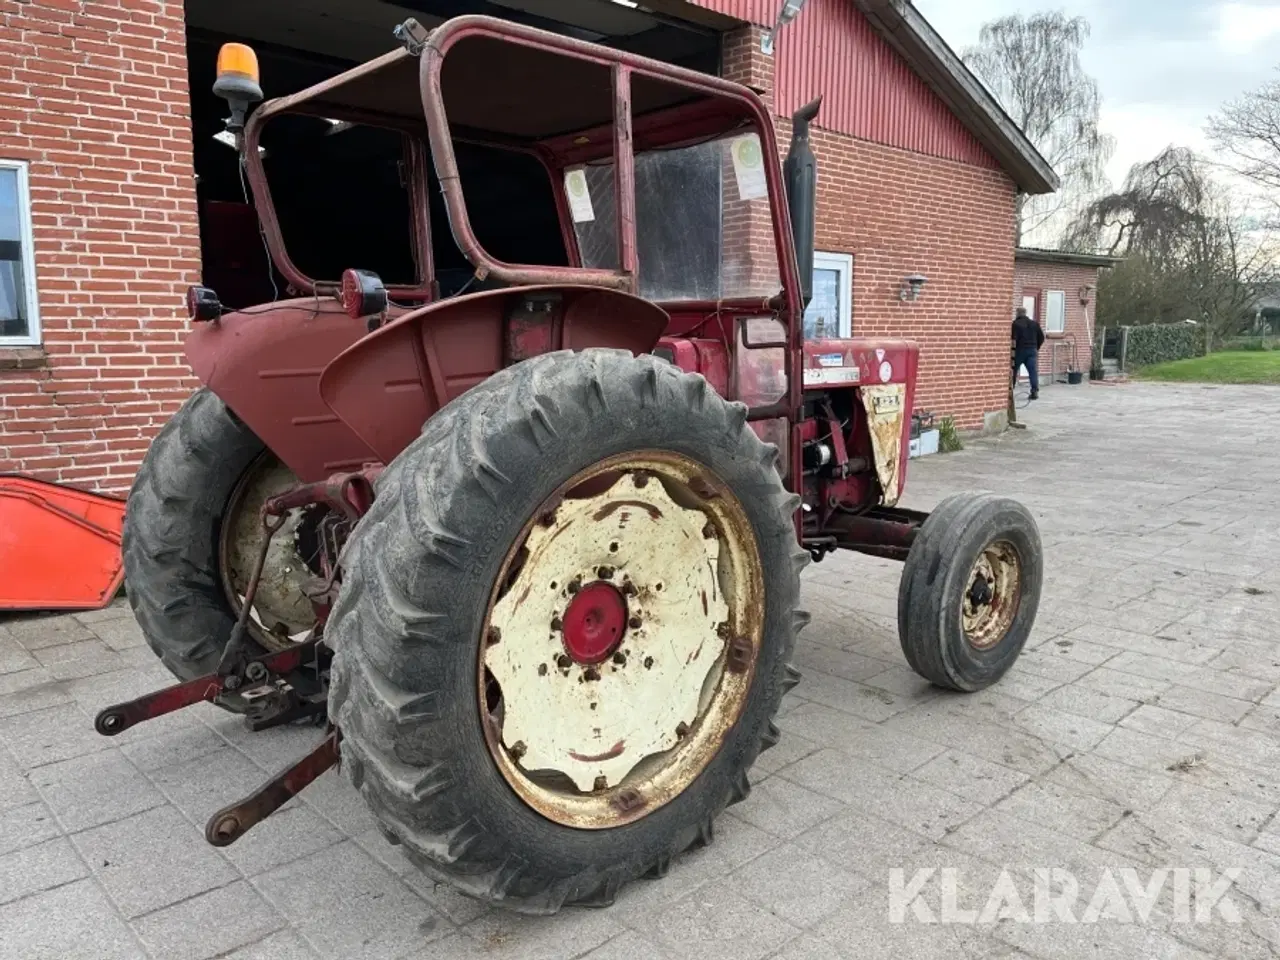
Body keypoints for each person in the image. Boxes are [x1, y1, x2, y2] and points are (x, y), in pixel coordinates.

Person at [1011, 306, 1045, 400]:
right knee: (1032, 371)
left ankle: (1010, 391)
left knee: (1013, 370)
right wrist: (1036, 347)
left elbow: (1013, 338)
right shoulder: (1034, 324)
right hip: (1032, 350)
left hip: (1019, 350)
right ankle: (1034, 391)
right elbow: (1041, 337)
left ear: (1017, 313)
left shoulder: (1015, 324)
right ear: (1025, 313)